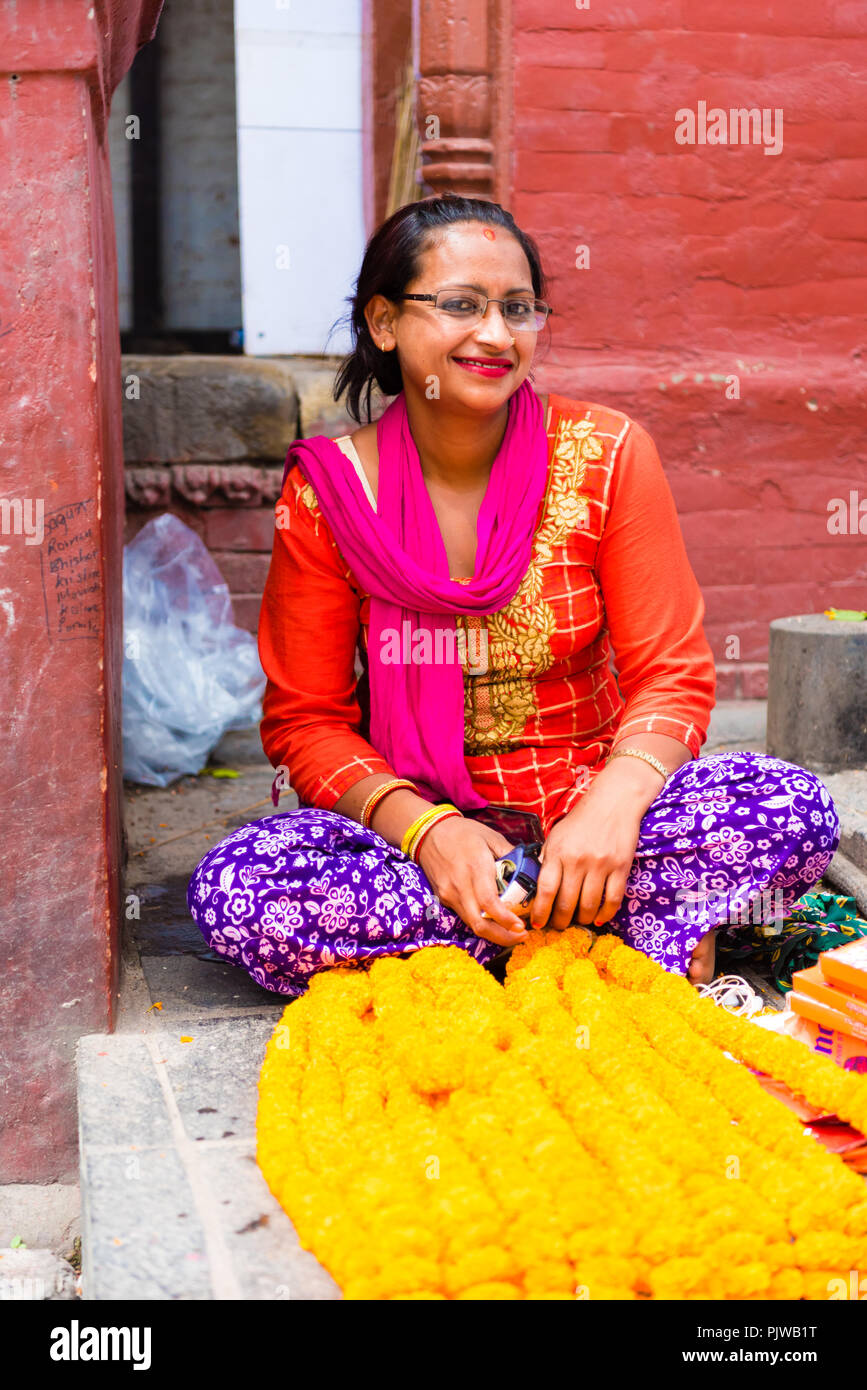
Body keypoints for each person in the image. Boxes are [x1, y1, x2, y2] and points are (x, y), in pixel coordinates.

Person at [187, 193, 840, 1000]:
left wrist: (610, 813)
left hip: (601, 819)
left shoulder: (606, 454)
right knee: (243, 888)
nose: (496, 335)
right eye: (460, 305)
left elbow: (670, 676)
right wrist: (429, 834)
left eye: (518, 308)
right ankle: (616, 929)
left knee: (787, 806)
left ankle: (495, 940)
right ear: (385, 322)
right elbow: (306, 720)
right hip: (425, 840)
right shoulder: (329, 494)